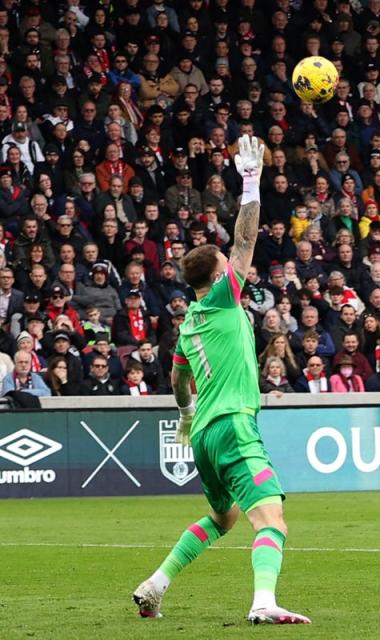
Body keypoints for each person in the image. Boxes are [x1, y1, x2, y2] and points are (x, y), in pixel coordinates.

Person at [133, 137, 310, 625]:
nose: (236, 268)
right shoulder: (223, 298)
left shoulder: (189, 324)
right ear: (216, 278)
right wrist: (250, 181)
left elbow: (176, 376)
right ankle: (263, 603)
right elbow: (247, 239)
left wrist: (186, 414)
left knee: (224, 516)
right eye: (226, 266)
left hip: (205, 436)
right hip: (234, 425)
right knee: (271, 517)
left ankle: (155, 584)